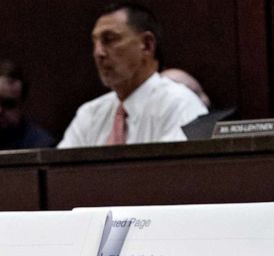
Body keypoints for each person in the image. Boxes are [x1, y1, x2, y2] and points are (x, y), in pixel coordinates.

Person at [58, 2, 207, 148]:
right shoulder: (90, 114)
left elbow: (176, 171)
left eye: (109, 40)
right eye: (95, 43)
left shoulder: (180, 104)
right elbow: (59, 172)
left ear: (147, 45)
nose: (98, 53)